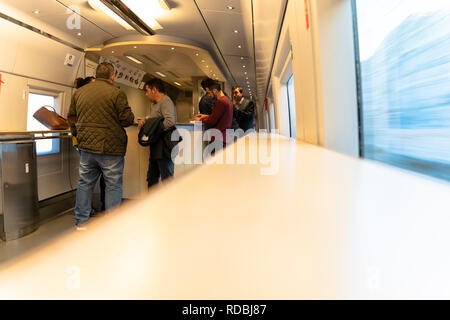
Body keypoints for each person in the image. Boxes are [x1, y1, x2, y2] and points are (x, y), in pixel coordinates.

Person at [67, 62, 135, 228]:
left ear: (96, 75)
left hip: (87, 148)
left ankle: (81, 223)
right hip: (111, 148)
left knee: (85, 183)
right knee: (113, 185)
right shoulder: (117, 93)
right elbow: (127, 120)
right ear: (112, 76)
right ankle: (110, 226)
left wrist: (79, 135)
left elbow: (71, 118)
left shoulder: (79, 93)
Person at [138, 78, 177, 188]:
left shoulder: (166, 101)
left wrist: (153, 128)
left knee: (167, 179)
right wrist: (145, 120)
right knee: (152, 177)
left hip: (165, 146)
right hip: (156, 146)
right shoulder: (155, 104)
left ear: (154, 90)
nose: (146, 94)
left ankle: (170, 204)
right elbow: (154, 118)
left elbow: (170, 121)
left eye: (147, 91)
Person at [193, 79, 233, 148]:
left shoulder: (221, 102)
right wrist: (205, 116)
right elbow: (221, 117)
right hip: (225, 138)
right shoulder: (227, 100)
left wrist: (199, 120)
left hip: (218, 139)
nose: (209, 95)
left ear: (215, 91)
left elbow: (211, 121)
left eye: (209, 93)